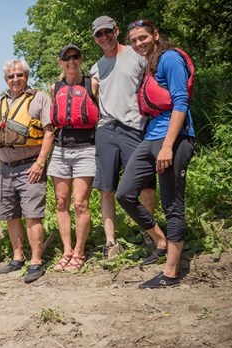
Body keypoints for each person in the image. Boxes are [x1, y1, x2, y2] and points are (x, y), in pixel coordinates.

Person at [118, 19, 195, 288]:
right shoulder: (149, 65)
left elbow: (180, 102)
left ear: (155, 35)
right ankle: (160, 240)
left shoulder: (170, 59)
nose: (139, 43)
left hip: (174, 138)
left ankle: (171, 272)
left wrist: (167, 146)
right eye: (134, 40)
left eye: (143, 37)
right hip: (151, 136)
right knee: (125, 193)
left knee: (172, 203)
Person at [90, 16, 158, 263]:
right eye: (99, 34)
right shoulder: (96, 67)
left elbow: (154, 83)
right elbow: (89, 96)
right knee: (107, 188)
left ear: (116, 30)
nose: (105, 37)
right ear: (95, 38)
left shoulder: (137, 55)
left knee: (146, 185)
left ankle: (149, 234)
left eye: (108, 31)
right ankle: (110, 242)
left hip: (136, 128)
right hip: (106, 129)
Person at [0, 59, 54, 283]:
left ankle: (36, 261)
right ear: (5, 79)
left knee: (33, 214)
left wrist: (40, 163)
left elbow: (48, 132)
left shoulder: (39, 98)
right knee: (10, 215)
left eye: (19, 75)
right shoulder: (0, 102)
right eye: (10, 76)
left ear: (26, 76)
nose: (15, 79)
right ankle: (17, 257)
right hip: (5, 168)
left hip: (29, 165)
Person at [48, 45, 99, 271]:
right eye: (66, 58)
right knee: (61, 202)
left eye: (75, 57)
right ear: (60, 62)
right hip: (60, 149)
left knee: (80, 203)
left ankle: (79, 251)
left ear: (81, 60)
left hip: (85, 148)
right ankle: (66, 250)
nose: (71, 61)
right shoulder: (55, 87)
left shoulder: (92, 84)